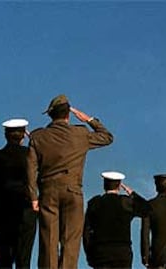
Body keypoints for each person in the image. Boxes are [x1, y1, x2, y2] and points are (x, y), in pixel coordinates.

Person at [27, 94, 114, 269]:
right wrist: (88, 119)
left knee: (48, 240)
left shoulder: (38, 137)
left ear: (51, 115)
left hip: (48, 190)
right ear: (68, 114)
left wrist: (33, 196)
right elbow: (107, 137)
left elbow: (30, 169)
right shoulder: (80, 134)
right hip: (73, 191)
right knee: (70, 242)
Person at [0, 118, 37, 269]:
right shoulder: (30, 155)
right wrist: (33, 139)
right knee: (24, 259)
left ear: (5, 135)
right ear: (23, 135)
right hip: (26, 209)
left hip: (2, 212)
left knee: (4, 260)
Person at [83, 171, 151, 269]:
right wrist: (131, 193)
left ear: (104, 185)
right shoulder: (125, 202)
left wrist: (89, 254)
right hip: (122, 253)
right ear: (119, 186)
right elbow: (147, 209)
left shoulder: (94, 203)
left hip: (100, 254)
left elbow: (86, 233)